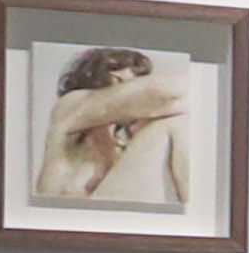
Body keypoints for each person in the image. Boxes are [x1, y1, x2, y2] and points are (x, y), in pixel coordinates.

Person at [34, 43, 188, 208]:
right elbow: (170, 94)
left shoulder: (123, 135)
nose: (128, 91)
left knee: (175, 121)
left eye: (135, 83)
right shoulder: (70, 107)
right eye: (119, 82)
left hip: (108, 214)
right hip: (66, 214)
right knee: (173, 122)